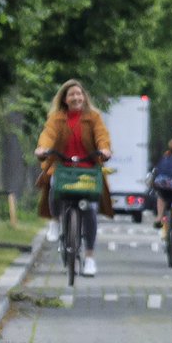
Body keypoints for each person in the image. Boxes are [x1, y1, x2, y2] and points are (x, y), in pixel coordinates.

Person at [34, 79, 113, 277]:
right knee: (53, 187)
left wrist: (104, 149)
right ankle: (55, 221)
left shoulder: (93, 117)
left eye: (79, 94)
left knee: (91, 211)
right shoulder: (56, 118)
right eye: (72, 95)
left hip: (87, 169)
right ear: (65, 99)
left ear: (84, 97)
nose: (76, 97)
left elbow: (102, 136)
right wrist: (43, 149)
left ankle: (90, 258)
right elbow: (48, 135)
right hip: (62, 167)